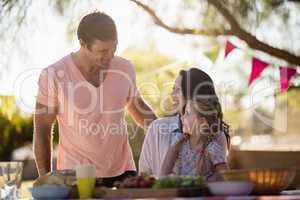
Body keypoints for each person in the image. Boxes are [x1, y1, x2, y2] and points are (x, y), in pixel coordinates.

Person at [33, 11, 157, 187]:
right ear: (83, 44)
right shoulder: (53, 75)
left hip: (124, 174)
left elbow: (137, 107)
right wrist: (46, 180)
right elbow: (42, 129)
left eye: (114, 49)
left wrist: (165, 129)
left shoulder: (125, 68)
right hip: (75, 177)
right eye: (103, 51)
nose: (110, 56)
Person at [139, 68, 230, 178]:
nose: (172, 95)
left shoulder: (217, 137)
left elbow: (223, 176)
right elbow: (144, 176)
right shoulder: (157, 128)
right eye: (173, 89)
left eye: (177, 90)